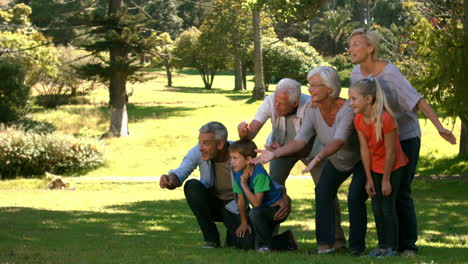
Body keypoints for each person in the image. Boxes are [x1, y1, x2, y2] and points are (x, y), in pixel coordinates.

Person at [348, 28, 457, 255]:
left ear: (371, 48)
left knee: (400, 193)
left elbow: (417, 101)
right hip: (376, 143)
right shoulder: (355, 75)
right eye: (350, 44)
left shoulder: (390, 73)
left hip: (404, 137)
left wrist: (439, 127)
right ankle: (387, 246)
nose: (351, 48)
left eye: (356, 44)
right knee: (379, 196)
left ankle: (408, 246)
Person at [252, 66, 366, 255]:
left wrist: (318, 157)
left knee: (346, 195)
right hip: (316, 156)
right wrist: (273, 153)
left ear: (329, 89)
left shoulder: (339, 108)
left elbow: (335, 140)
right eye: (309, 85)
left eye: (314, 85)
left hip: (344, 157)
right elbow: (299, 141)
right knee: (313, 191)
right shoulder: (311, 109)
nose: (310, 89)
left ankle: (347, 246)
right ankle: (319, 245)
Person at [238, 78, 347, 249]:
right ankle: (269, 241)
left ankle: (337, 242)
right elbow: (251, 132)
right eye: (276, 102)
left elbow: (303, 147)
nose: (276, 107)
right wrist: (244, 133)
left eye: (282, 104)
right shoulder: (271, 101)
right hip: (278, 150)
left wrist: (277, 152)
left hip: (312, 151)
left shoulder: (310, 106)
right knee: (268, 191)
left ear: (295, 103)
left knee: (326, 191)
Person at [159, 121, 290, 249]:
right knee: (192, 186)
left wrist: (282, 194)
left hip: (234, 205)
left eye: (206, 143)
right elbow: (180, 172)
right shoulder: (198, 152)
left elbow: (261, 176)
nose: (200, 147)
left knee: (247, 243)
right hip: (212, 202)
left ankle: (285, 240)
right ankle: (211, 240)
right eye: (200, 142)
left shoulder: (239, 153)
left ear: (220, 144)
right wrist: (169, 179)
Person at [349, 77, 409, 257]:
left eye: (354, 98)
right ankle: (382, 247)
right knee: (376, 206)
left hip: (394, 167)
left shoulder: (385, 119)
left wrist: (385, 180)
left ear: (368, 99)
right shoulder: (358, 119)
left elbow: (391, 153)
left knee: (387, 207)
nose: (350, 103)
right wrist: (368, 179)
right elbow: (364, 150)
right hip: (375, 167)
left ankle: (393, 247)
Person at [229, 139, 298, 252]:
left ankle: (264, 246)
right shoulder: (238, 173)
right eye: (231, 158)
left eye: (235, 158)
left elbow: (256, 204)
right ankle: (286, 239)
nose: (232, 162)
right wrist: (244, 222)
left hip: (276, 209)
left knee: (255, 213)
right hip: (261, 212)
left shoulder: (259, 175)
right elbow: (241, 200)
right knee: (244, 243)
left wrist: (244, 184)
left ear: (248, 160)